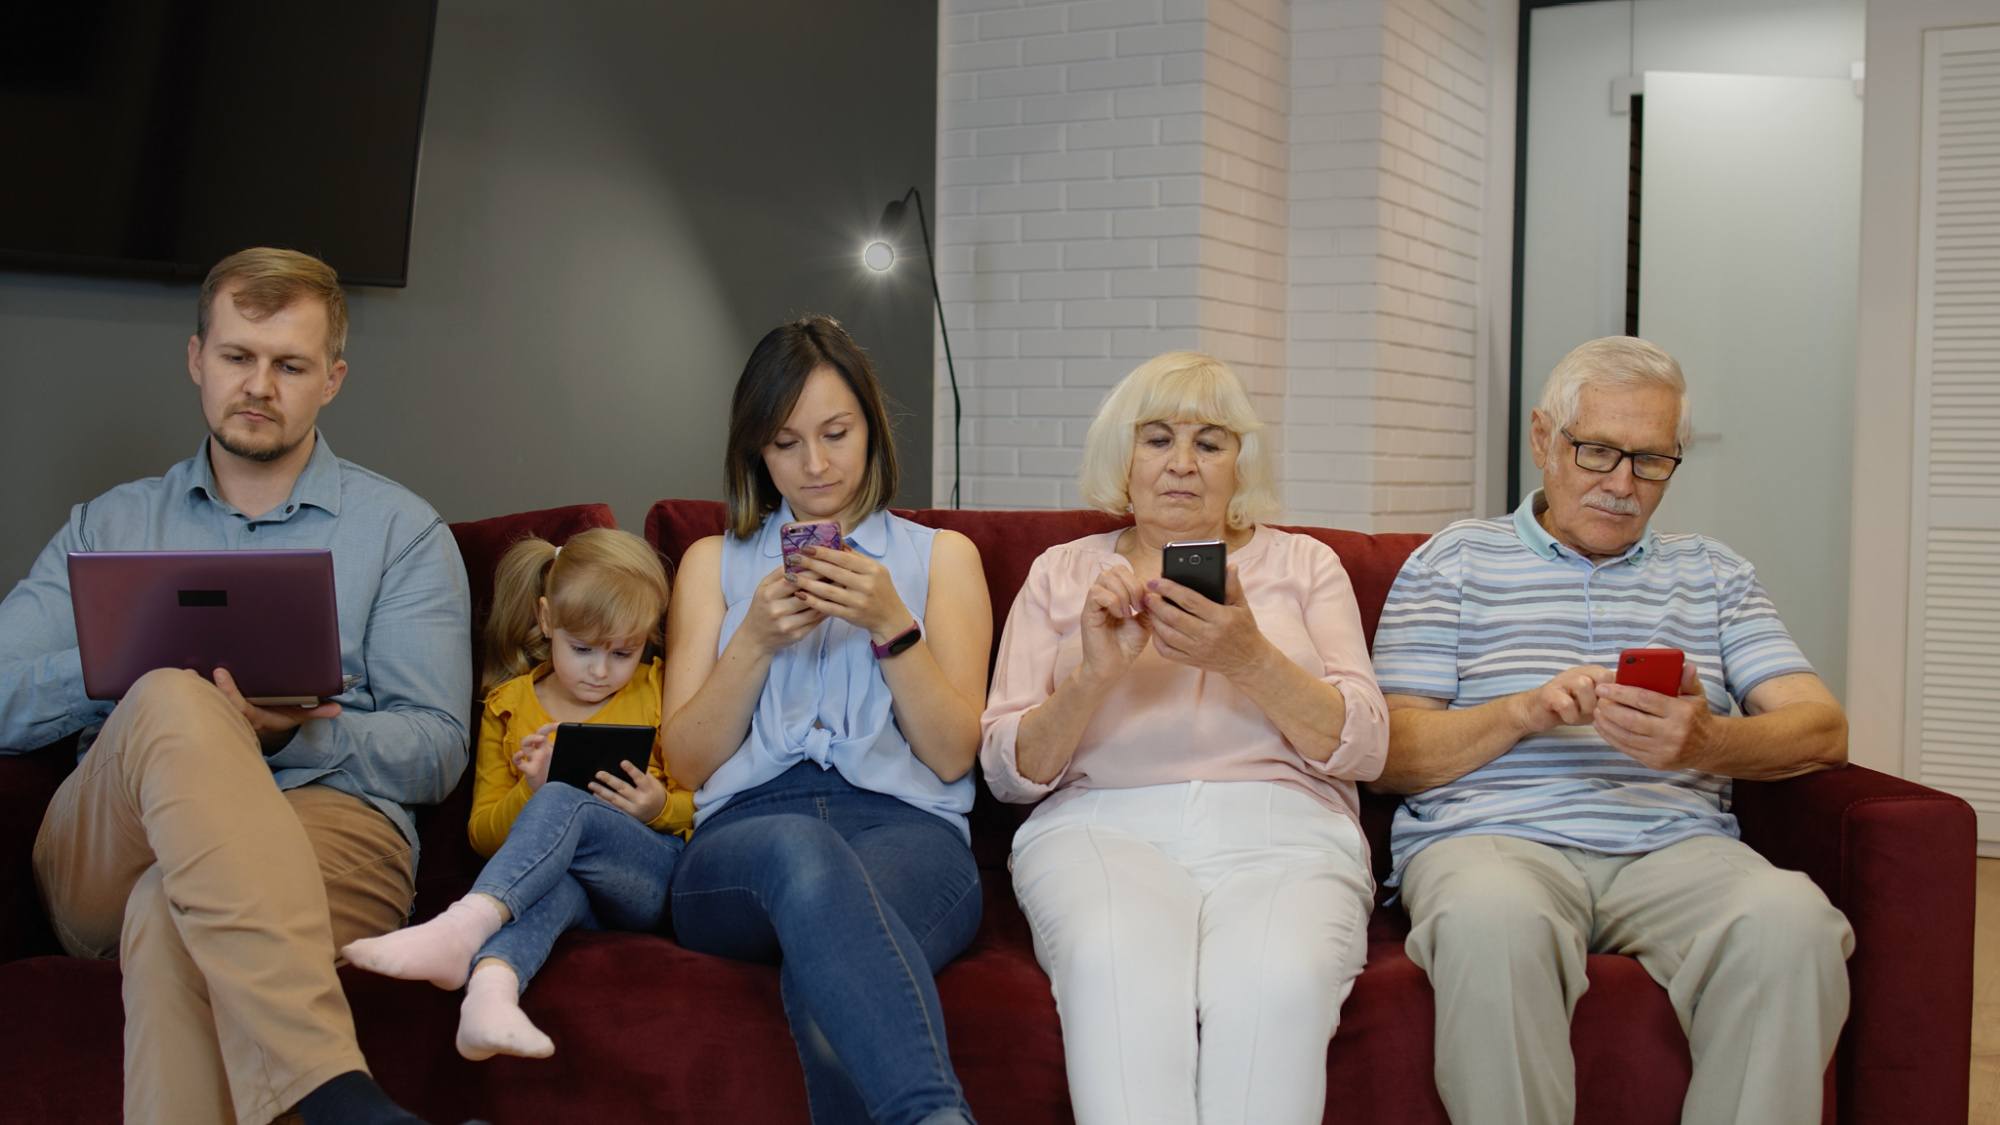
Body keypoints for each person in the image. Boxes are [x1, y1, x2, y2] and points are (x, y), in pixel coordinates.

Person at [0, 248, 472, 1124]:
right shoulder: (110, 523)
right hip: (113, 838)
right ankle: (337, 1091)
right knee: (172, 694)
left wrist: (293, 733)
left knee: (172, 914)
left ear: (331, 379)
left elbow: (438, 748)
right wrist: (127, 670)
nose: (259, 385)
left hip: (326, 825)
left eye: (289, 365)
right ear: (196, 360)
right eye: (237, 357)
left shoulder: (403, 532)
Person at [1370, 336, 1854, 1125]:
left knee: (1793, 923)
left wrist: (1706, 742)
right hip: (1494, 837)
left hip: (1674, 846)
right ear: (1542, 439)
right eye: (1596, 450)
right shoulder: (1453, 561)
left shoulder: (1715, 574)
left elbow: (1823, 729)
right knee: (1493, 920)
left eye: (1650, 460)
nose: (1622, 484)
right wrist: (1523, 711)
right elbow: (1390, 754)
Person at [979, 351, 1389, 1125]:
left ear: (1243, 463)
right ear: (1123, 457)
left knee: (1277, 980)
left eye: (1211, 441)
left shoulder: (1307, 564)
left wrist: (1250, 657)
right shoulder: (1061, 574)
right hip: (1100, 827)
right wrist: (1096, 674)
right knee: (1116, 966)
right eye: (1157, 438)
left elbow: (1367, 746)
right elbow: (1008, 771)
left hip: (1287, 831)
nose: (1182, 465)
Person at [661, 315, 991, 1125]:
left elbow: (952, 754)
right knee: (807, 860)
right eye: (785, 442)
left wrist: (892, 625)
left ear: (872, 431)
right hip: (745, 842)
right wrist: (753, 642)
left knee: (834, 946)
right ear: (756, 454)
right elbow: (685, 765)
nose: (815, 465)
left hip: (909, 832)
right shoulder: (714, 562)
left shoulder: (941, 559)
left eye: (837, 433)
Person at [342, 527, 692, 1061]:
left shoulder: (658, 688)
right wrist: (527, 789)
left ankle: (461, 927)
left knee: (561, 797)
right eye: (582, 649)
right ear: (547, 619)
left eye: (624, 652)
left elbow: (709, 800)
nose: (602, 671)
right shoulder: (509, 705)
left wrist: (659, 807)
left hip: (648, 877)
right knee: (554, 876)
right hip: (569, 888)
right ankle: (491, 996)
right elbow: (483, 836)